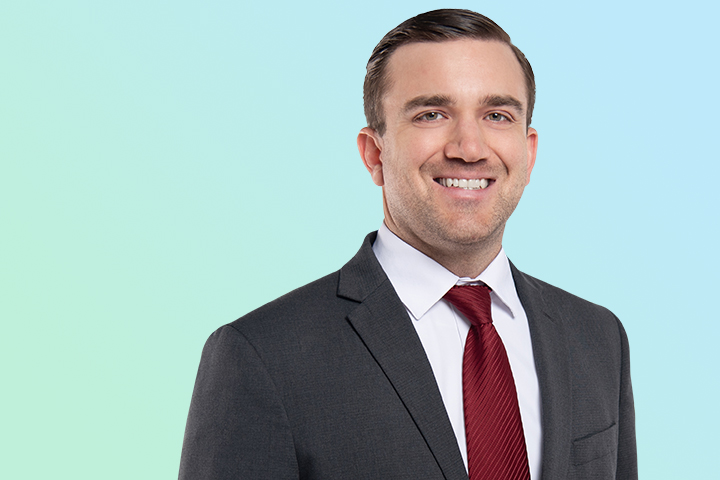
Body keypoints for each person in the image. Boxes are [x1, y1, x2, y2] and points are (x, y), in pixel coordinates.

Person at [179, 9, 636, 480]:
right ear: (374, 154)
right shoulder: (262, 356)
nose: (469, 148)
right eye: (431, 114)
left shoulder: (597, 338)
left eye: (497, 116)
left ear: (529, 151)